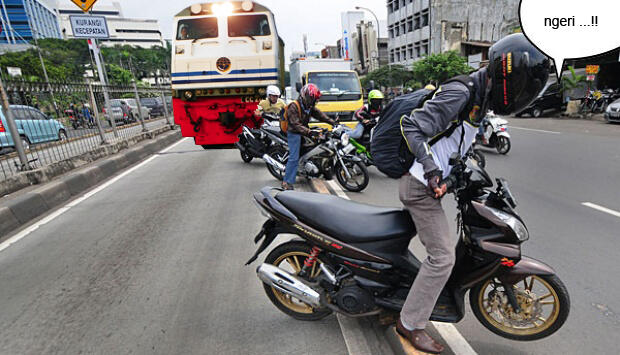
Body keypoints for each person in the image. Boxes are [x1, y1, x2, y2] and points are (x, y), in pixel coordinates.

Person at [396, 33, 549, 354]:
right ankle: (410, 323)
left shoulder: (482, 97)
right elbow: (412, 126)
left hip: (437, 185)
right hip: (420, 186)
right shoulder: (460, 92)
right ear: (507, 76)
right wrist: (433, 169)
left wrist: (463, 172)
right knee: (442, 258)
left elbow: (457, 141)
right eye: (520, 84)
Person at [282, 83, 336, 190]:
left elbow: (320, 115)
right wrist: (309, 132)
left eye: (315, 99)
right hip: (294, 133)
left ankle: (311, 168)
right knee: (294, 158)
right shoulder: (294, 106)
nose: (314, 102)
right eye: (313, 99)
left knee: (318, 144)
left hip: (304, 131)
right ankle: (286, 182)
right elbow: (295, 125)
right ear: (305, 96)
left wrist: (333, 122)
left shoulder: (309, 107)